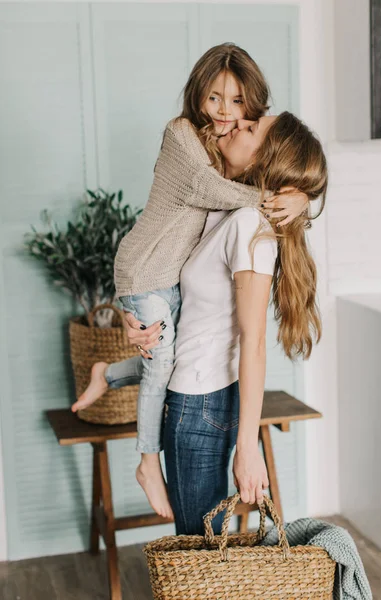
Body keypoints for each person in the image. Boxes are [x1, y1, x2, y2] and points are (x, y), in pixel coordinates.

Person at [71, 43, 309, 520]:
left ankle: (108, 374)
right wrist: (279, 196)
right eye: (216, 99)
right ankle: (146, 461)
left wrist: (301, 197)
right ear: (197, 96)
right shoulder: (185, 140)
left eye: (240, 106)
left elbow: (253, 336)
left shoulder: (238, 193)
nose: (228, 116)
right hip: (147, 276)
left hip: (191, 350)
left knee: (163, 355)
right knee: (161, 362)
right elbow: (209, 191)